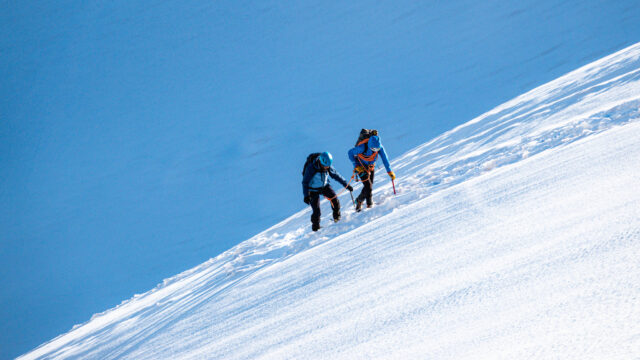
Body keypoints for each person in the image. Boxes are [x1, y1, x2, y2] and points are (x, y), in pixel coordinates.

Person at [302, 152, 353, 231]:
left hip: (324, 186)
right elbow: (305, 182)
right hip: (313, 190)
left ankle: (337, 218)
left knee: (335, 200)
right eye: (325, 166)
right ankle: (316, 228)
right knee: (316, 210)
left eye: (328, 166)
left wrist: (346, 185)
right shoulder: (311, 168)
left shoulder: (328, 166)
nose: (327, 167)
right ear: (321, 162)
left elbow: (336, 175)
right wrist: (306, 196)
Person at [348, 133, 395, 211]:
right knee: (368, 186)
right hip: (361, 167)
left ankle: (359, 200)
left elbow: (384, 158)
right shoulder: (363, 147)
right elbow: (350, 152)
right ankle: (369, 206)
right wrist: (356, 165)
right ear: (370, 146)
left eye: (377, 149)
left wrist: (389, 171)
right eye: (374, 149)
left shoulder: (379, 147)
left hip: (370, 167)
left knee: (369, 186)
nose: (375, 151)